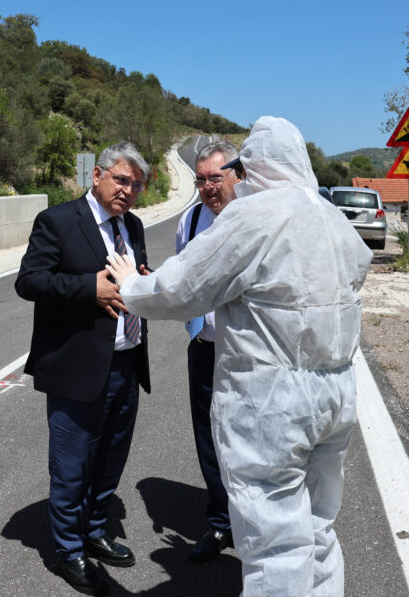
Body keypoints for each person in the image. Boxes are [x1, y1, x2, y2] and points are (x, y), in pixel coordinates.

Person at [106, 117, 372, 597]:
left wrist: (130, 285)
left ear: (254, 167)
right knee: (317, 530)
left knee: (275, 545)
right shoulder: (332, 217)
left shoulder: (254, 217)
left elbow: (183, 288)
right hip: (336, 395)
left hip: (274, 404)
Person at [15, 141, 153, 597]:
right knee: (72, 465)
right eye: (121, 180)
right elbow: (29, 280)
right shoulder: (57, 220)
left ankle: (94, 530)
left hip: (126, 361)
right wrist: (85, 289)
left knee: (110, 458)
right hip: (77, 367)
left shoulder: (132, 225)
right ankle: (68, 549)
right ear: (96, 176)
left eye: (135, 185)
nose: (128, 191)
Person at [177, 140, 241, 563]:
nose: (206, 187)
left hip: (247, 355)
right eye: (200, 179)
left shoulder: (255, 216)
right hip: (204, 345)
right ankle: (222, 523)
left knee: (248, 440)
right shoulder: (191, 219)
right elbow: (181, 275)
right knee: (209, 438)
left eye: (215, 178)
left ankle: (256, 525)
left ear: (236, 174)